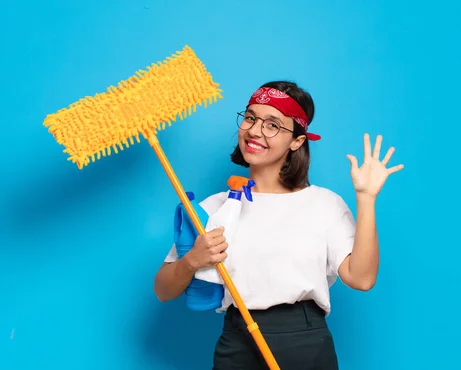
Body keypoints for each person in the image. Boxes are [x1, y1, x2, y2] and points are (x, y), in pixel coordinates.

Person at [153, 81, 404, 369]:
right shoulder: (215, 207)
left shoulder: (324, 204)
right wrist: (192, 261)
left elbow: (361, 279)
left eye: (273, 125)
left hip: (305, 342)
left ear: (297, 141)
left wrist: (366, 198)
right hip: (237, 341)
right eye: (250, 118)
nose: (255, 130)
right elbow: (163, 290)